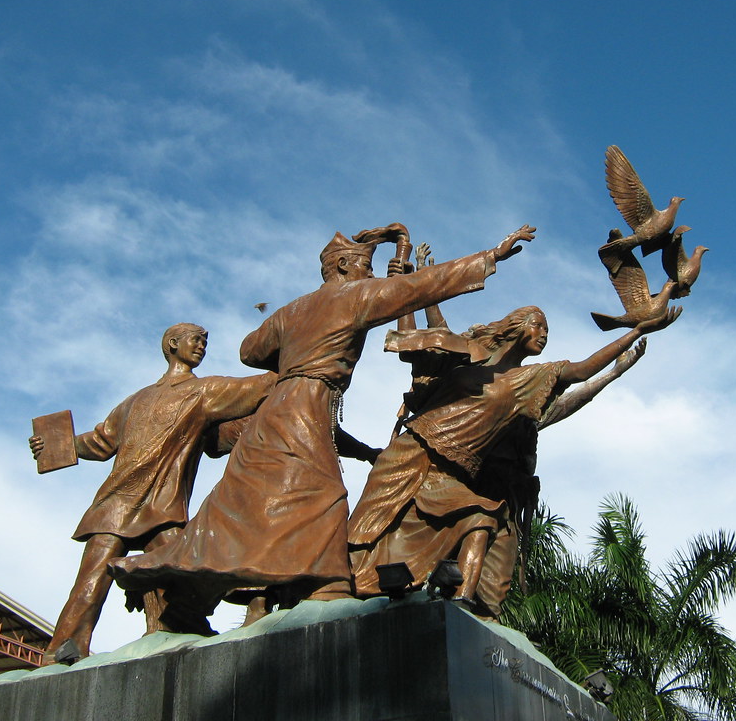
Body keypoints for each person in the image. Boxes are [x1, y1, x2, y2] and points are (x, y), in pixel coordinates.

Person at [110, 223, 537, 625]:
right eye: (365, 267)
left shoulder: (292, 310)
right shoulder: (353, 297)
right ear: (345, 266)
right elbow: (420, 287)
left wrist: (295, 350)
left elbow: (249, 349)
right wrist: (491, 256)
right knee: (324, 493)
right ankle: (327, 586)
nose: (369, 274)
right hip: (307, 406)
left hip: (275, 407)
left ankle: (187, 590)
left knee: (241, 499)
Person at [348, 303, 679, 617]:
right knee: (366, 534)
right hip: (410, 453)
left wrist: (636, 331)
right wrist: (418, 284)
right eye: (538, 324)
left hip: (452, 472)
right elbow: (430, 338)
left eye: (548, 329)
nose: (544, 333)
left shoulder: (531, 382)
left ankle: (463, 608)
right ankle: (343, 586)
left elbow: (580, 373)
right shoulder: (471, 354)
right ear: (517, 326)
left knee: (480, 518)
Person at [28, 323, 276, 662]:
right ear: (173, 344)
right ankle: (59, 653)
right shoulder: (182, 395)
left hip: (159, 509)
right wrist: (56, 445)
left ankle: (181, 632)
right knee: (91, 585)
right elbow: (101, 442)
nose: (202, 346)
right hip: (121, 503)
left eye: (205, 342)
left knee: (186, 573)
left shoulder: (197, 392)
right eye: (196, 340)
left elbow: (258, 390)